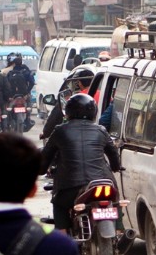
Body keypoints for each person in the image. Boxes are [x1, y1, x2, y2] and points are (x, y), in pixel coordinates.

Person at [39, 92, 120, 233]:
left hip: (70, 187)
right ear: (93, 112)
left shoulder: (60, 131)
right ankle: (119, 229)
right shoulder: (101, 130)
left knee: (59, 205)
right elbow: (113, 155)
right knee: (115, 201)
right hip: (102, 182)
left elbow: (45, 157)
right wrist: (116, 167)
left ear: (68, 112)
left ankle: (63, 242)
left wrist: (41, 169)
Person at [40, 67, 97, 140]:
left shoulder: (75, 99)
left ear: (79, 83)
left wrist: (45, 133)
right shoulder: (104, 96)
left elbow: (55, 116)